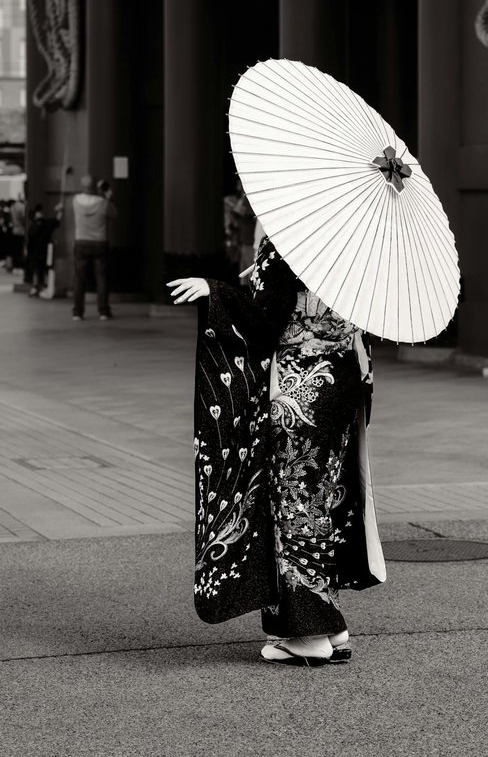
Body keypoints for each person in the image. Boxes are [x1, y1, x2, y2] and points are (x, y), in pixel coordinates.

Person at [167, 233, 386, 668]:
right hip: (341, 378)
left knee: (289, 501)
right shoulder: (356, 240)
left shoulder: (290, 237)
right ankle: (331, 624)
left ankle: (306, 634)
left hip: (298, 387)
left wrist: (219, 291)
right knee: (320, 499)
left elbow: (264, 321)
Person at [72, 174, 117, 320]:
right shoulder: (103, 202)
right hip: (99, 242)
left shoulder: (75, 201)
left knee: (80, 278)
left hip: (81, 242)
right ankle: (103, 311)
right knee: (102, 278)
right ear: (96, 187)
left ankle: (78, 312)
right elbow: (114, 214)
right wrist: (109, 197)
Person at [27, 202, 64, 296]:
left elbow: (57, 219)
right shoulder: (43, 224)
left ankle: (42, 286)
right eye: (38, 212)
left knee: (42, 269)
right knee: (40, 269)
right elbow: (57, 220)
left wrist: (60, 210)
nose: (40, 213)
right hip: (40, 251)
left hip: (41, 251)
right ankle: (40, 286)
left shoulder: (41, 225)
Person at [9, 195, 26, 271]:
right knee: (20, 249)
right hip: (21, 230)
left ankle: (15, 265)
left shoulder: (12, 207)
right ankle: (19, 265)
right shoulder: (22, 207)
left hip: (14, 229)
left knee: (15, 250)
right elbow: (23, 218)